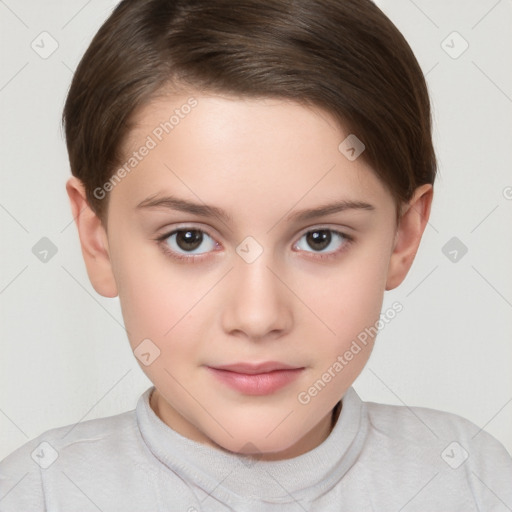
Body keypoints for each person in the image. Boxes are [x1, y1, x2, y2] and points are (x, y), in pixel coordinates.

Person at [1, 0, 511, 510]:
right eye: (189, 239)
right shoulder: (35, 493)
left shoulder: (472, 481)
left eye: (320, 238)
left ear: (403, 237)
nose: (258, 316)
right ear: (98, 241)